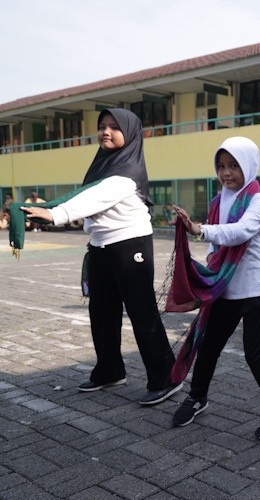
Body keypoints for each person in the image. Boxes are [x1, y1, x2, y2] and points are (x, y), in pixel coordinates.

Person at [20, 108, 180, 405]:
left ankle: (166, 376)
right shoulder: (102, 164)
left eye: (113, 127)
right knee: (101, 312)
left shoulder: (127, 172)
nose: (105, 131)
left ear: (129, 133)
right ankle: (109, 370)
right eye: (102, 126)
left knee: (142, 312)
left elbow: (95, 198)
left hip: (130, 245)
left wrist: (55, 214)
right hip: (101, 246)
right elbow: (88, 198)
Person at [168, 136, 260, 440]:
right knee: (210, 345)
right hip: (225, 289)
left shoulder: (259, 200)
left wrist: (199, 229)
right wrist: (208, 274)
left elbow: (240, 231)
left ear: (249, 166)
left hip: (256, 290)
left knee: (258, 357)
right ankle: (197, 397)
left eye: (233, 166)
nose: (226, 173)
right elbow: (218, 244)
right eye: (221, 166)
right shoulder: (218, 200)